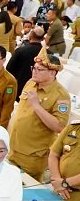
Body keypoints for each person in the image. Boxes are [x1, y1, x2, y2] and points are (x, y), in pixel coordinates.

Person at [8, 49, 70, 181]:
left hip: (33, 155)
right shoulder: (31, 83)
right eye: (34, 68)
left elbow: (59, 127)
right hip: (13, 147)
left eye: (39, 69)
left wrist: (36, 106)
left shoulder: (61, 95)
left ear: (52, 73)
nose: (34, 71)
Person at [6, 26, 44, 100]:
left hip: (18, 88)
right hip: (38, 91)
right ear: (43, 39)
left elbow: (9, 70)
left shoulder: (20, 51)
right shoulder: (47, 54)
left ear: (30, 36)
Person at [49, 119, 80, 201]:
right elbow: (53, 155)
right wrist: (57, 179)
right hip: (59, 191)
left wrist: (65, 183)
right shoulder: (72, 128)